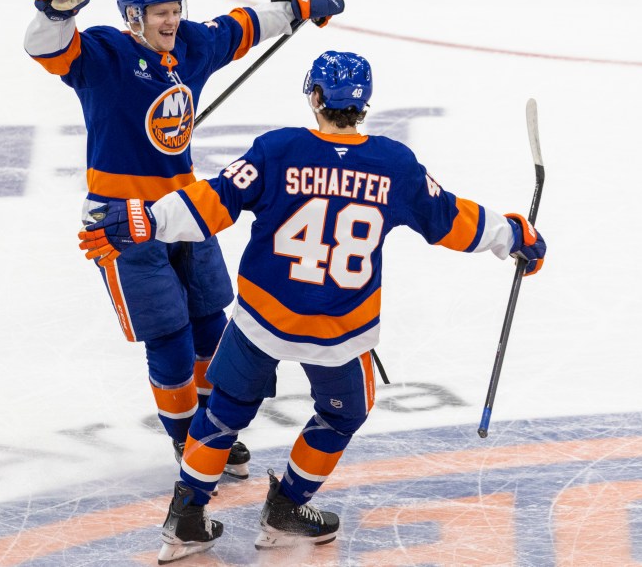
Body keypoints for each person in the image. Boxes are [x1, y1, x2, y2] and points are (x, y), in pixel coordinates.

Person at [78, 51, 547, 564]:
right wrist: (513, 235)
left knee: (222, 414)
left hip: (263, 320)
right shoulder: (394, 165)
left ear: (316, 98)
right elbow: (452, 220)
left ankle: (187, 518)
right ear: (363, 105)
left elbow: (210, 202)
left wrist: (145, 218)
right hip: (342, 332)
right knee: (342, 415)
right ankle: (287, 508)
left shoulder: (279, 150)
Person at [24, 0, 345, 479]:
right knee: (168, 338)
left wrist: (295, 6)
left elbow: (239, 29)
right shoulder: (104, 55)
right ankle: (186, 440)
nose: (171, 21)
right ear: (134, 17)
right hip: (121, 221)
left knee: (209, 327)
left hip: (184, 212)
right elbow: (48, 50)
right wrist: (54, 14)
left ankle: (209, 430)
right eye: (160, 14)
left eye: (175, 11)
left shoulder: (191, 45)